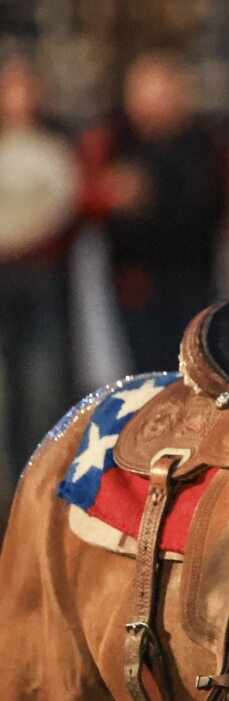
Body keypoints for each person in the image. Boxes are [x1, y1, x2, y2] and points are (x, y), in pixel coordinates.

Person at [78, 50, 229, 373]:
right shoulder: (114, 139)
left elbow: (206, 204)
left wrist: (146, 193)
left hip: (190, 281)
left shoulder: (202, 143)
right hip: (136, 284)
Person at [0, 52, 79, 486]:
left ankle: (45, 483)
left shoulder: (57, 142)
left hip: (44, 278)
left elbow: (68, 201)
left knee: (44, 386)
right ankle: (14, 489)